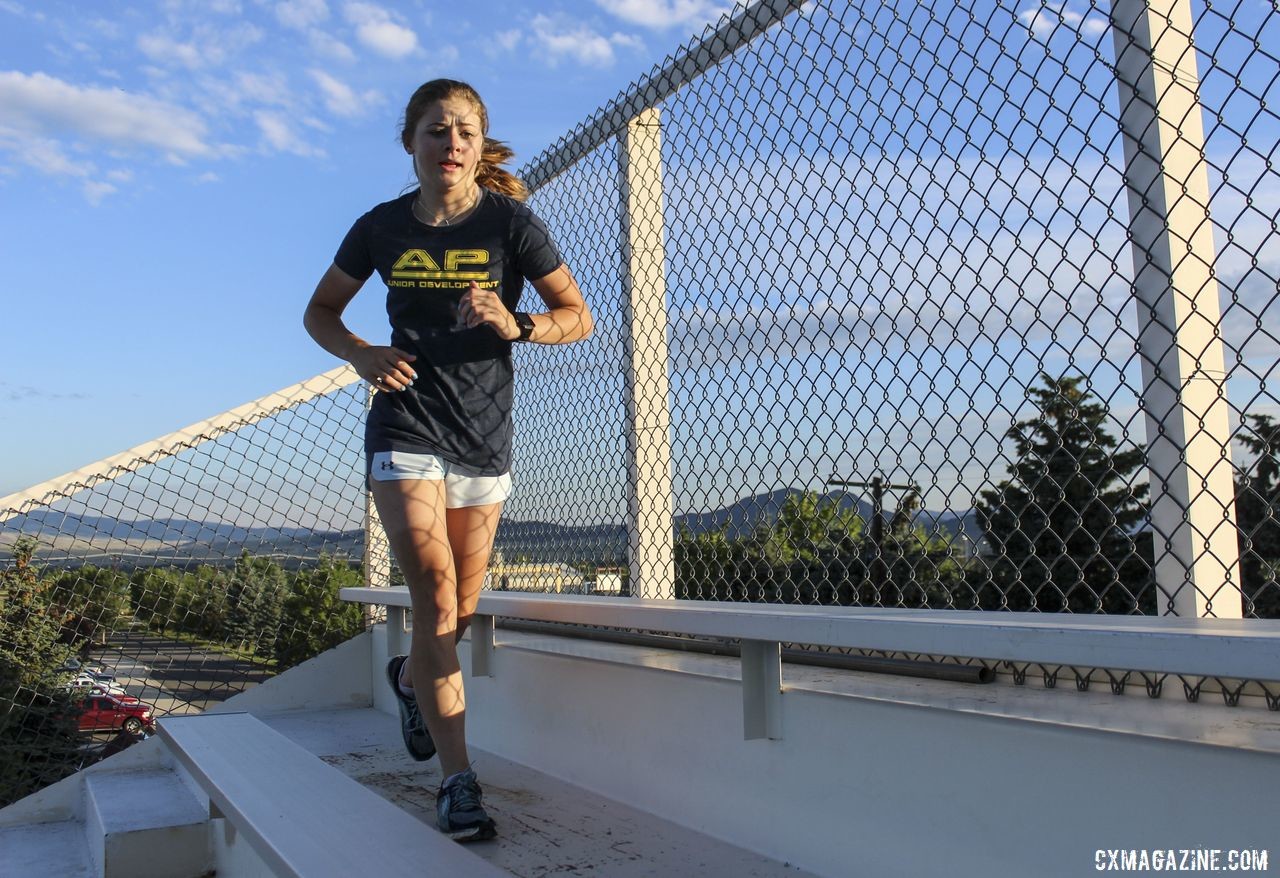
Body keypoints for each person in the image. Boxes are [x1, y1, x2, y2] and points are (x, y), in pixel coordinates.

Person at [303, 78, 593, 842]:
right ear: (412, 144)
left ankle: (408, 679)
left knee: (455, 614)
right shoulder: (380, 228)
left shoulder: (510, 223)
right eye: (436, 130)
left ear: (478, 144)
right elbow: (320, 311)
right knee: (431, 591)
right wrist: (363, 354)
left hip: (483, 438)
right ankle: (459, 783)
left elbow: (579, 317)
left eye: (465, 130)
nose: (452, 143)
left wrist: (517, 322)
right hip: (404, 427)